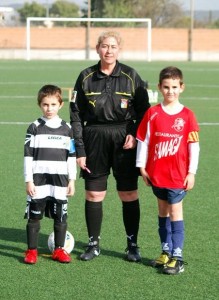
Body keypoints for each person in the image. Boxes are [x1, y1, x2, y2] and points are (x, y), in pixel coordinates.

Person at [70, 31, 150, 262]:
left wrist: (134, 134)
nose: (109, 51)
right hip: (94, 136)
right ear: (97, 49)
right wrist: (80, 149)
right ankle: (93, 244)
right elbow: (75, 115)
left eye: (113, 47)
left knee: (128, 192)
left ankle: (132, 245)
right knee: (94, 193)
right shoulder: (85, 76)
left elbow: (145, 112)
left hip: (124, 138)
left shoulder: (131, 75)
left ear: (119, 50)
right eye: (104, 46)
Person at [136, 66, 200, 274]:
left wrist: (191, 172)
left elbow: (193, 146)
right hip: (157, 174)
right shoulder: (153, 113)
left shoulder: (188, 116)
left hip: (177, 175)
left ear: (182, 87)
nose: (170, 91)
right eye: (166, 87)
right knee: (162, 212)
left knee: (175, 212)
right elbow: (143, 141)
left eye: (174, 87)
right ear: (159, 88)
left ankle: (178, 257)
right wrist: (141, 166)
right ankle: (165, 251)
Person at [23, 84, 77, 264]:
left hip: (60, 180)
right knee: (34, 217)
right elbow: (28, 156)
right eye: (45, 104)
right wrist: (28, 180)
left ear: (60, 105)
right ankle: (31, 251)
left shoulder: (67, 129)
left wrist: (72, 180)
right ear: (40, 105)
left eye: (53, 104)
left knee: (60, 216)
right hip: (39, 179)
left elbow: (71, 156)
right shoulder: (34, 127)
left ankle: (59, 250)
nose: (49, 108)